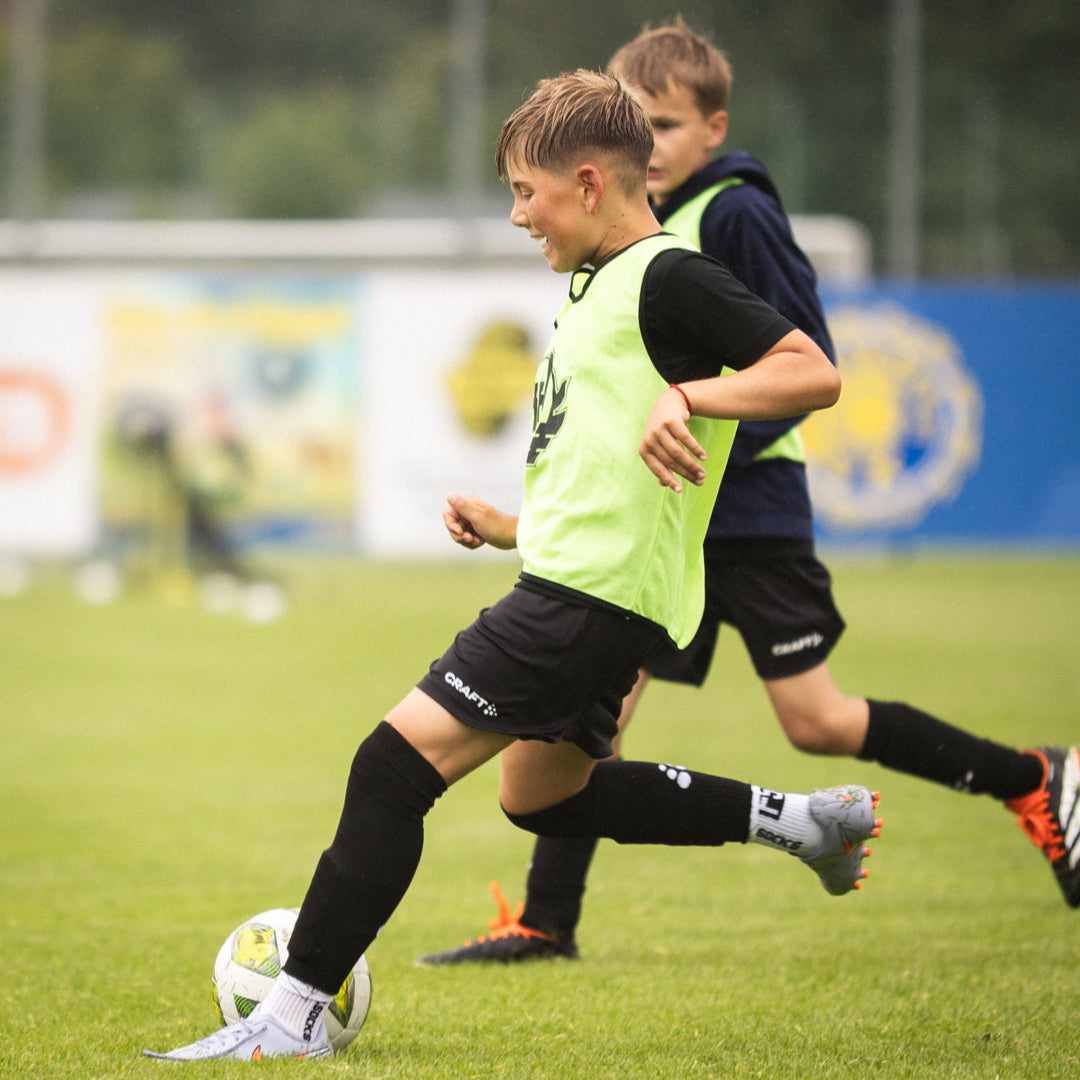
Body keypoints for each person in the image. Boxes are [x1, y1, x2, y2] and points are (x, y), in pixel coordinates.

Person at [144, 69, 874, 1061]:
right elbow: (607, 476)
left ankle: (293, 1012)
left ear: (584, 182)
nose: (518, 214)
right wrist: (516, 526)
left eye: (525, 192)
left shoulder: (668, 273)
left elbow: (811, 369)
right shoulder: (597, 285)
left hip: (586, 601)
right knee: (542, 795)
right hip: (587, 583)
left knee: (391, 767)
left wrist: (695, 399)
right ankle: (803, 824)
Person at [417, 19, 1080, 968]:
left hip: (749, 514)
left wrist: (698, 424)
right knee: (593, 711)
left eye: (666, 124)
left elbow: (806, 360)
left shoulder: (730, 216)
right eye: (631, 122)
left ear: (712, 130)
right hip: (668, 530)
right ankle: (543, 922)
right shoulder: (625, 243)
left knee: (815, 722)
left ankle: (1031, 777)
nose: (648, 140)